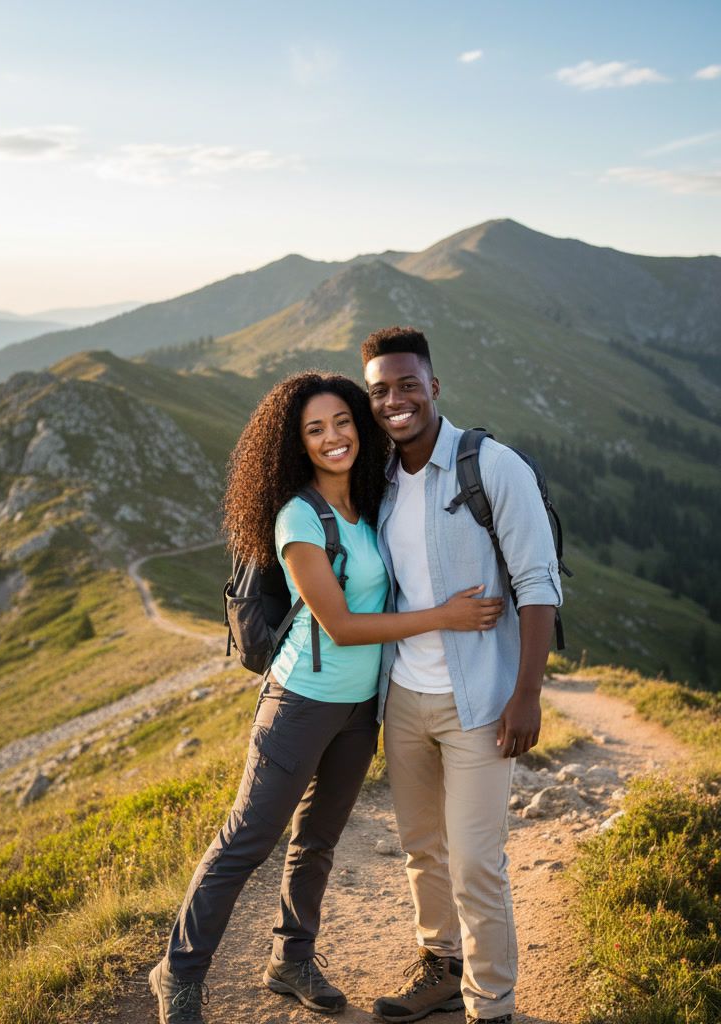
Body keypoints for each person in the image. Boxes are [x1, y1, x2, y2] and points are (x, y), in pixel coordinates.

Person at [149, 371, 505, 1024]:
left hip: (357, 711)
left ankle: (291, 959)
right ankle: (179, 971)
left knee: (316, 841)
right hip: (300, 701)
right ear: (299, 444)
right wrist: (444, 619)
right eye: (315, 430)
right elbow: (340, 625)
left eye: (342, 422)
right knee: (246, 840)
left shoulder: (368, 505)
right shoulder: (297, 517)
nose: (333, 437)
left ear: (359, 426)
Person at [361, 327, 563, 1024]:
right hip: (405, 698)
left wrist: (526, 693)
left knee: (477, 862)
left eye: (407, 384)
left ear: (434, 386)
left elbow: (538, 581)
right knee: (424, 852)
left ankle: (494, 1006)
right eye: (381, 389)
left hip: (480, 700)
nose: (395, 400)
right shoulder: (379, 478)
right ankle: (442, 967)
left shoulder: (491, 466)